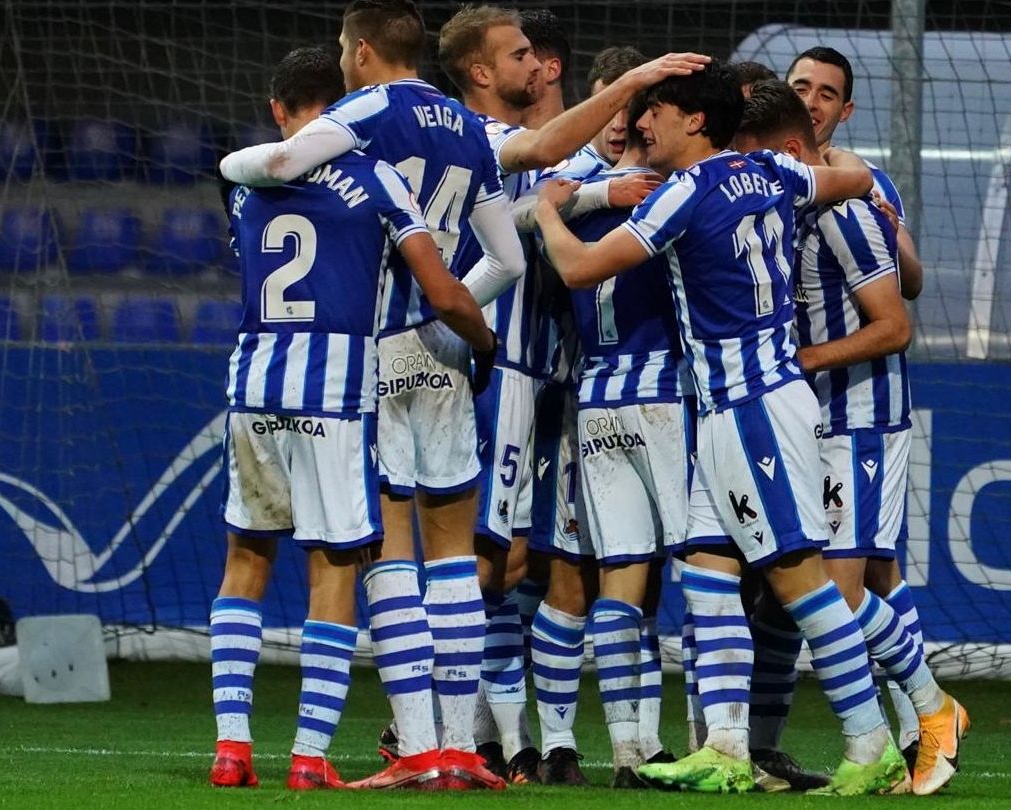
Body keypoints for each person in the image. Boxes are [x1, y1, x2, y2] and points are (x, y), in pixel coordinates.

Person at [534, 61, 908, 796]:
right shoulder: (772, 172)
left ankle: (873, 746)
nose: (643, 125)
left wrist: (550, 210)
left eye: (657, 113)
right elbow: (849, 180)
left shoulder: (684, 195)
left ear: (694, 121)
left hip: (752, 407)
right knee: (706, 567)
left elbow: (579, 269)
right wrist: (877, 201)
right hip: (737, 408)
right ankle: (728, 747)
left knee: (800, 580)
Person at [218, 0, 525, 790]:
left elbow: (281, 164)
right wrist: (466, 326)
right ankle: (461, 748)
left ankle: (416, 748)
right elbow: (508, 262)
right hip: (444, 349)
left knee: (372, 554)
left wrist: (232, 161)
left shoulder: (361, 116)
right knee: (454, 555)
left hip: (360, 360)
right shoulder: (466, 127)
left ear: (358, 52)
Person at [437, 3, 708, 782]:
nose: (532, 65)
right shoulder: (497, 142)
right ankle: (440, 726)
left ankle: (514, 739)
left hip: (557, 388)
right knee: (495, 562)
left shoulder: (562, 168)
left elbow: (545, 201)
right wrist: (634, 97)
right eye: (520, 55)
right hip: (503, 372)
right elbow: (549, 191)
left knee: (530, 567)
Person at [734, 79, 969, 797]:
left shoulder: (846, 213)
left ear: (793, 151)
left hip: (860, 422)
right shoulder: (784, 215)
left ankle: (935, 711)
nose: (748, 176)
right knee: (792, 588)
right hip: (808, 421)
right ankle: (774, 747)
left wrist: (800, 362)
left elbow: (895, 325)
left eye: (756, 160)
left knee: (837, 590)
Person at [786, 46, 923, 300]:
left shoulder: (872, 184)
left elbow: (913, 284)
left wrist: (889, 238)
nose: (809, 103)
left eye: (826, 96)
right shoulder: (753, 169)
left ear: (845, 111)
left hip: (828, 340)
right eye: (800, 90)